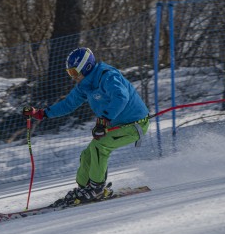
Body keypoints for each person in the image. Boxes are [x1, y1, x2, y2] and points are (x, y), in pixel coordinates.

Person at [23, 47, 150, 207]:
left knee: (100, 146)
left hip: (135, 124)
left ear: (87, 67)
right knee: (87, 154)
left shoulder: (107, 76)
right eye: (70, 73)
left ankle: (96, 188)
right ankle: (85, 188)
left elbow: (121, 97)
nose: (73, 77)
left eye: (75, 72)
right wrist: (42, 113)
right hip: (117, 125)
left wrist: (103, 120)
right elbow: (69, 104)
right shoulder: (85, 85)